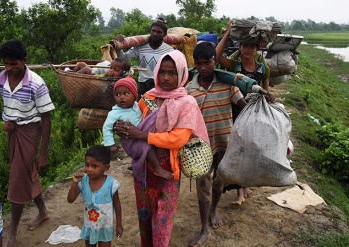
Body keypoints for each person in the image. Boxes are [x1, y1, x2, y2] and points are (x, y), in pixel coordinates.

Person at [114, 50, 209, 247]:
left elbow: (177, 139)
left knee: (162, 220)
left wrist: (142, 135)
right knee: (145, 217)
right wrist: (120, 126)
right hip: (143, 169)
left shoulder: (187, 103)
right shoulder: (147, 98)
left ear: (182, 74)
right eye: (162, 72)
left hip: (168, 171)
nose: (165, 77)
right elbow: (132, 123)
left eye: (172, 73)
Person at [0, 39, 55, 247]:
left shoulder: (36, 83)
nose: (9, 68)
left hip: (30, 132)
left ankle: (12, 233)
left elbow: (47, 118)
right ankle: (42, 210)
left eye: (14, 64)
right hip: (12, 132)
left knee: (17, 178)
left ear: (25, 60)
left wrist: (43, 153)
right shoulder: (3, 77)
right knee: (26, 172)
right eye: (5, 63)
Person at [186, 42, 247, 245]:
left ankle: (213, 209)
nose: (203, 68)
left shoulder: (227, 84)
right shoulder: (189, 90)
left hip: (225, 142)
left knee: (220, 180)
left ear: (215, 61)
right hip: (200, 147)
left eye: (208, 62)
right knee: (203, 182)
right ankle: (204, 228)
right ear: (194, 64)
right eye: (199, 63)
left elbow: (244, 107)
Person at [216, 21, 272, 205]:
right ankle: (239, 192)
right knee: (238, 151)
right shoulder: (234, 66)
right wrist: (228, 33)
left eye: (251, 46)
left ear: (257, 49)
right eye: (244, 45)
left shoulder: (263, 69)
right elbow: (216, 55)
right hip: (235, 114)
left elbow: (266, 92)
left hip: (253, 116)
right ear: (239, 47)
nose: (247, 49)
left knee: (251, 151)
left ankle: (245, 185)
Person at [102, 76, 174, 179]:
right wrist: (111, 144)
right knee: (147, 147)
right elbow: (106, 128)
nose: (121, 97)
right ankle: (158, 168)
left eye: (126, 93)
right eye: (117, 94)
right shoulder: (114, 113)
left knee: (151, 138)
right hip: (130, 140)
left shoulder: (137, 105)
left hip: (139, 135)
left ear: (135, 95)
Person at [67, 145, 123, 247]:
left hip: (105, 227)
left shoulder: (111, 184)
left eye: (94, 166)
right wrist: (74, 183)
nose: (89, 169)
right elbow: (70, 200)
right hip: (89, 227)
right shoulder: (83, 181)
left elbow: (117, 204)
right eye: (87, 165)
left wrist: (119, 224)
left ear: (106, 168)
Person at [114, 17, 174, 100]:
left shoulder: (169, 50)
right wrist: (119, 46)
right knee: (141, 109)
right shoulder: (140, 47)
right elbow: (124, 59)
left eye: (159, 32)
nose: (155, 34)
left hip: (160, 86)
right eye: (153, 31)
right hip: (142, 85)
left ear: (164, 34)